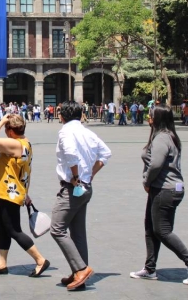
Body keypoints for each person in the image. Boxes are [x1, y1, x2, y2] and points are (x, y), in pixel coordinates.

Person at [130, 104, 188, 285]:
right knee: (150, 228)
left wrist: (146, 181)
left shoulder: (162, 138)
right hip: (169, 188)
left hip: (165, 189)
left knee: (162, 231)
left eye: (151, 115)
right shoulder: (168, 136)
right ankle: (150, 268)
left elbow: (156, 164)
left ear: (158, 119)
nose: (148, 117)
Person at [53, 101, 111, 291]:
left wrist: (76, 177)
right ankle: (79, 272)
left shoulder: (65, 131)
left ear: (63, 115)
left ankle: (81, 269)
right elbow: (105, 153)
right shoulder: (87, 132)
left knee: (57, 229)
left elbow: (70, 154)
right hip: (86, 187)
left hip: (73, 188)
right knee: (78, 232)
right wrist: (90, 174)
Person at [0, 114, 50, 277]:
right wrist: (26, 193)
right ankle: (1, 263)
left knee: (14, 230)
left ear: (11, 131)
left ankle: (40, 260)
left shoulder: (15, 144)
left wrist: (1, 122)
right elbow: (24, 171)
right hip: (10, 191)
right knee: (2, 227)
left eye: (6, 129)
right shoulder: (25, 143)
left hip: (10, 194)